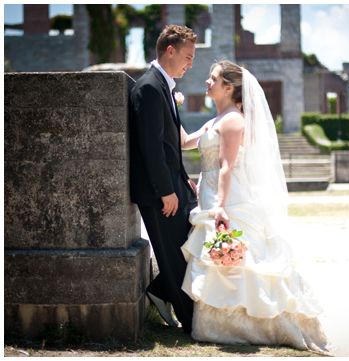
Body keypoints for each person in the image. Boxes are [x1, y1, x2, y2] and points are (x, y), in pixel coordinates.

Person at [179, 61, 330, 352]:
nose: (207, 82)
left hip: (229, 198)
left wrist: (220, 207)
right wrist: (171, 106)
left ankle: (256, 324)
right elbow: (184, 142)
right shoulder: (215, 119)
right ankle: (219, 324)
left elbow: (226, 167)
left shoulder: (233, 120)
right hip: (210, 196)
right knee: (218, 259)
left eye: (214, 79)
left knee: (243, 260)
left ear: (229, 87)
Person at [129, 24, 198, 335]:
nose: (190, 63)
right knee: (173, 255)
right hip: (160, 193)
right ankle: (192, 323)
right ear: (170, 51)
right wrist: (166, 191)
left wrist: (184, 181)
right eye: (188, 56)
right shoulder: (148, 88)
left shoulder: (165, 87)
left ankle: (159, 290)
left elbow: (171, 146)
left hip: (174, 186)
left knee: (188, 247)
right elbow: (151, 147)